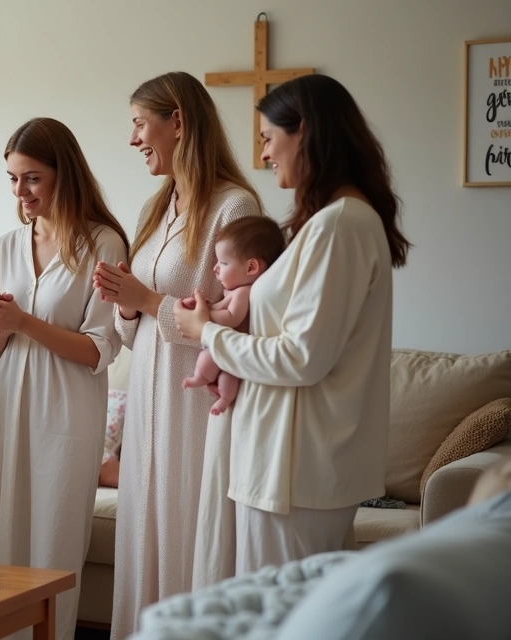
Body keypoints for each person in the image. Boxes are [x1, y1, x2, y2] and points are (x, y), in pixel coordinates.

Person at [174, 73, 411, 575]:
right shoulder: (335, 221)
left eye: (268, 137)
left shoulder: (340, 225)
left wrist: (207, 332)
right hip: (292, 467)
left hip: (295, 471)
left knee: (278, 609)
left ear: (303, 130)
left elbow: (301, 357)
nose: (264, 154)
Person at [92, 71, 263, 637]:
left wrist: (145, 299)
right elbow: (135, 330)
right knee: (143, 534)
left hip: (194, 401)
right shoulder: (156, 207)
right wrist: (124, 301)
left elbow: (240, 323)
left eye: (141, 124)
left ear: (179, 123)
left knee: (187, 531)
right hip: (147, 394)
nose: (133, 138)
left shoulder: (234, 208)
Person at [0, 117, 129, 640]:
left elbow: (98, 349)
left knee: (56, 540)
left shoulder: (104, 244)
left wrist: (24, 323)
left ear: (64, 173)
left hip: (67, 410)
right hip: (9, 404)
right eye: (13, 179)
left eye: (32, 178)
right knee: (6, 536)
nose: (20, 191)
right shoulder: (6, 246)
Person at [182, 216, 285, 415]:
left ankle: (221, 396)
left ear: (251, 267)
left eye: (223, 263)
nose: (215, 268)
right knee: (217, 367)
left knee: (219, 369)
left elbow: (232, 318)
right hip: (231, 349)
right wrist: (204, 307)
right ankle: (211, 387)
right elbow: (221, 308)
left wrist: (204, 317)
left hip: (235, 349)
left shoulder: (244, 292)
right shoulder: (235, 291)